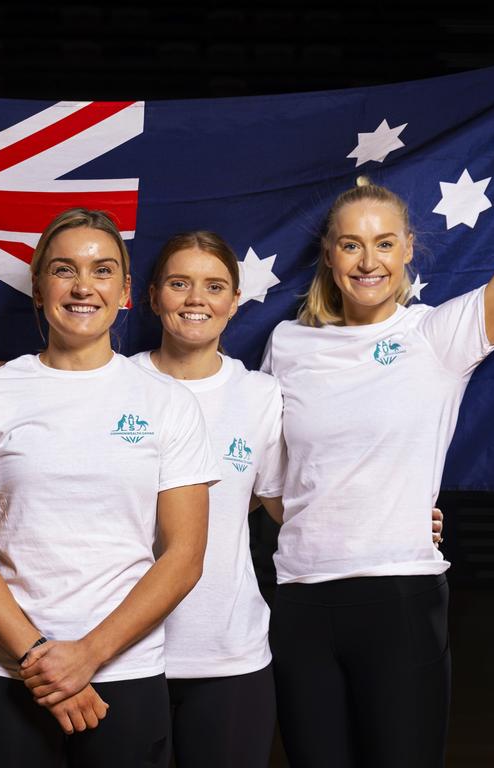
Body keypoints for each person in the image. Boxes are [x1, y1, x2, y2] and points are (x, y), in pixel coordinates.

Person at [262, 36, 494, 768]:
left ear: (409, 250)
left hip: (402, 600)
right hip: (300, 601)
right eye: (350, 245)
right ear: (329, 255)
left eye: (384, 243)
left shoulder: (440, 335)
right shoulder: (287, 346)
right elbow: (270, 484)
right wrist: (339, 509)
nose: (368, 260)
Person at [0, 208, 221, 768]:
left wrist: (88, 655)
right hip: (10, 673)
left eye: (102, 270)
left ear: (127, 291)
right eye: (64, 270)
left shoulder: (168, 403)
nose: (83, 285)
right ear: (39, 288)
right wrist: (42, 658)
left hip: (124, 674)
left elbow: (185, 557)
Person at [132, 231, 285, 767]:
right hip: (121, 655)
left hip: (228, 653)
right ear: (153, 297)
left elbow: (285, 505)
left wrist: (399, 522)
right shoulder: (116, 381)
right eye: (179, 284)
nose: (196, 299)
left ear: (233, 302)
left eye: (213, 286)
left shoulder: (260, 396)